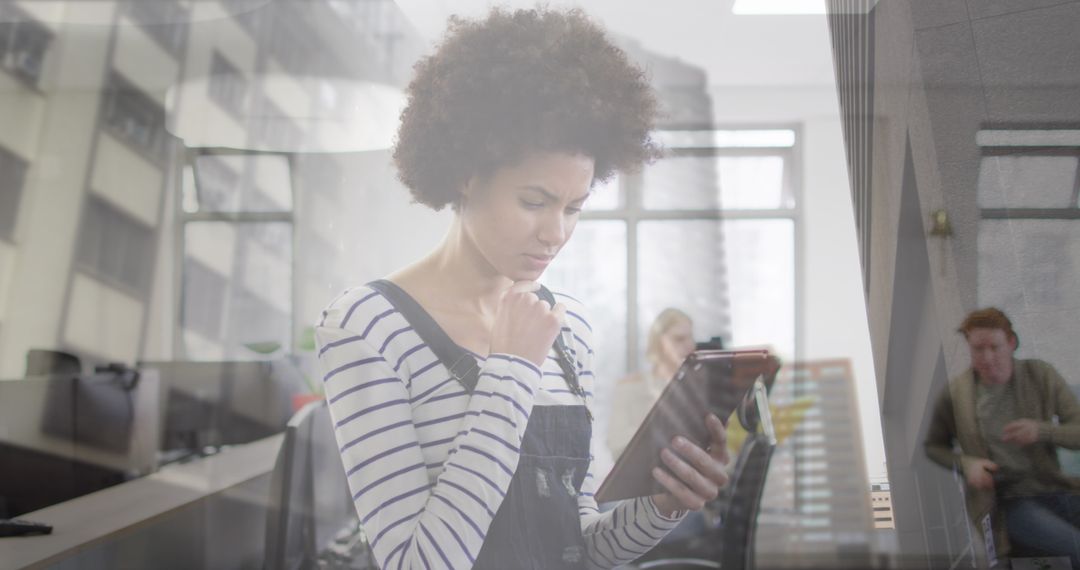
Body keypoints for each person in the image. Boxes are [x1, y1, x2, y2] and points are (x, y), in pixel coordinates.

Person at [314, 8, 730, 569]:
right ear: (467, 173)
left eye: (574, 207)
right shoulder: (367, 325)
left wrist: (662, 506)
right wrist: (509, 371)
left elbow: (581, 546)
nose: (555, 233)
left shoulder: (567, 327)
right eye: (533, 201)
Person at [924, 307, 1080, 564]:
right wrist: (967, 464)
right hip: (1010, 502)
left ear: (1011, 343)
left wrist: (1041, 430)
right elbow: (934, 447)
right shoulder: (958, 395)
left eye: (994, 347)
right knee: (1073, 546)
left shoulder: (1040, 374)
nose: (987, 358)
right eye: (977, 349)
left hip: (1057, 488)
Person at [607, 308, 696, 459]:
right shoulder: (630, 386)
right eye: (679, 339)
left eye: (691, 338)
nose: (690, 346)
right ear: (659, 341)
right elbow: (616, 444)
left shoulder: (695, 389)